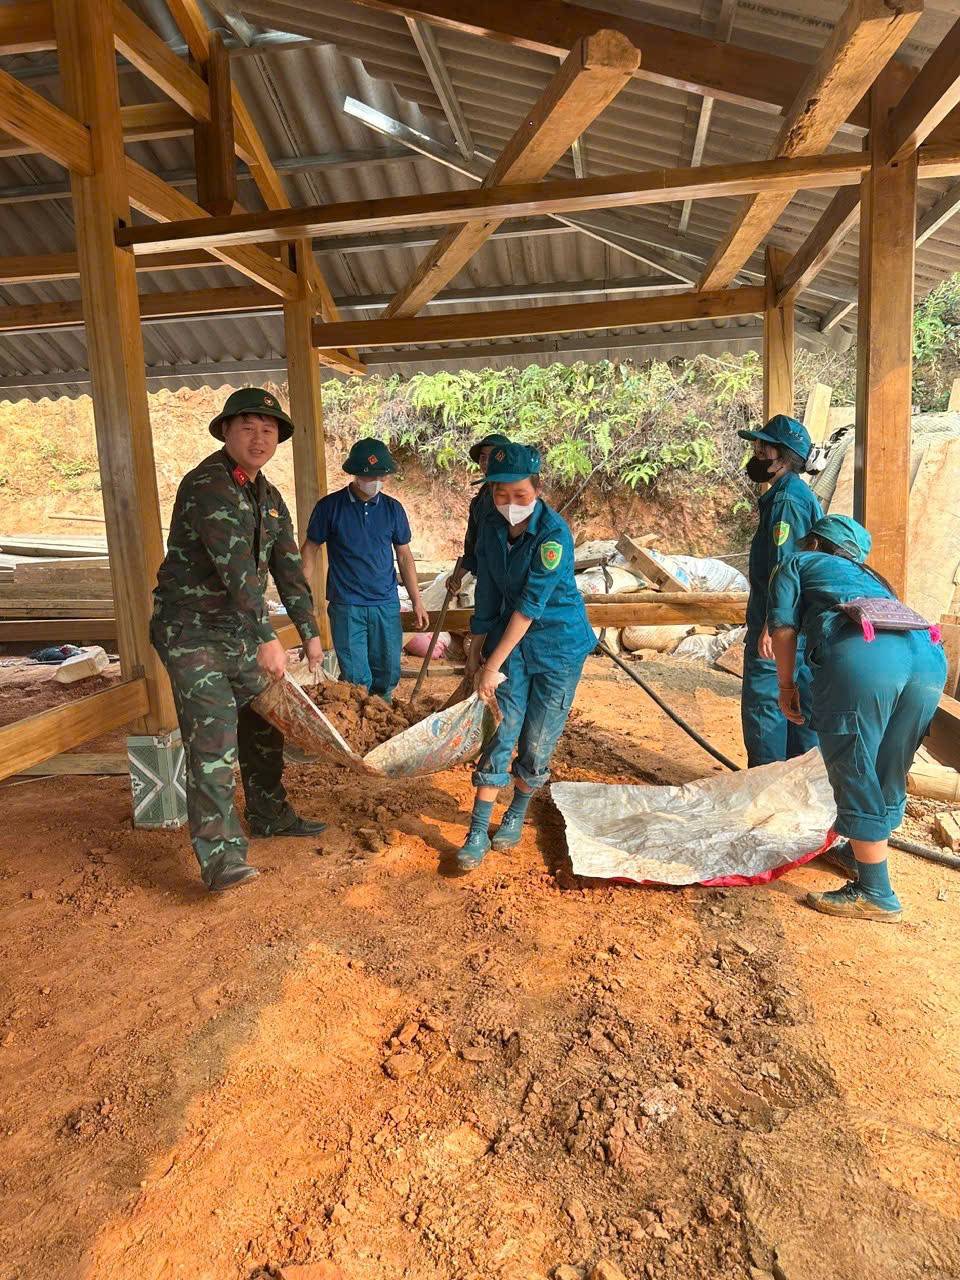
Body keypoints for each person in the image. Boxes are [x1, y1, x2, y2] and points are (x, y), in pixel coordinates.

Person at [151, 388, 326, 893]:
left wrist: (311, 634)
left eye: (268, 430)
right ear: (226, 431)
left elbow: (289, 570)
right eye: (247, 427)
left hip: (234, 629)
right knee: (213, 739)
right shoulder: (208, 485)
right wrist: (267, 637)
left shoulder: (268, 498)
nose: (258, 438)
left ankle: (270, 814)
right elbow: (237, 574)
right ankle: (221, 858)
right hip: (191, 630)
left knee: (265, 716)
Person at [768, 514, 947, 923]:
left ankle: (875, 892)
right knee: (890, 759)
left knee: (854, 759)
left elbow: (782, 629)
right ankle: (860, 853)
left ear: (814, 542)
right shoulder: (875, 579)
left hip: (866, 653)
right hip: (928, 654)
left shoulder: (796, 562)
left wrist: (785, 687)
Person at [457, 442, 596, 872]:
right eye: (501, 494)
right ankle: (477, 828)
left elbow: (529, 606)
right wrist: (476, 647)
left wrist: (491, 665)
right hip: (508, 642)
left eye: (520, 494)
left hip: (558, 646)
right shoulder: (491, 525)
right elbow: (490, 591)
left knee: (537, 740)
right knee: (502, 727)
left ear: (536, 488)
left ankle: (516, 811)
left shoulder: (553, 535)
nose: (510, 503)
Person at [301, 437, 428, 703]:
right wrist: (302, 598)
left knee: (388, 671)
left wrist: (417, 601)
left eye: (381, 474)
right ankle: (359, 726)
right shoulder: (329, 507)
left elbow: (404, 556)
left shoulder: (393, 509)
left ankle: (382, 720)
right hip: (347, 604)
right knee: (357, 677)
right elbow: (310, 548)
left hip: (385, 603)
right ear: (354, 474)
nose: (375, 480)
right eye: (369, 475)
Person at [738, 413, 823, 767]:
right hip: (799, 626)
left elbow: (785, 567)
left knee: (766, 710)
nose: (755, 452)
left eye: (762, 447)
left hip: (781, 627)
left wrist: (775, 627)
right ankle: (798, 798)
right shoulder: (792, 496)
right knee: (798, 709)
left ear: (782, 457)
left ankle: (766, 795)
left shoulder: (787, 502)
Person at [446, 432, 511, 595]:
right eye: (483, 457)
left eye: (493, 457)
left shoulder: (518, 499)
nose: (486, 462)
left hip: (512, 582)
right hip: (486, 583)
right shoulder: (480, 501)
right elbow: (473, 548)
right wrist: (457, 576)